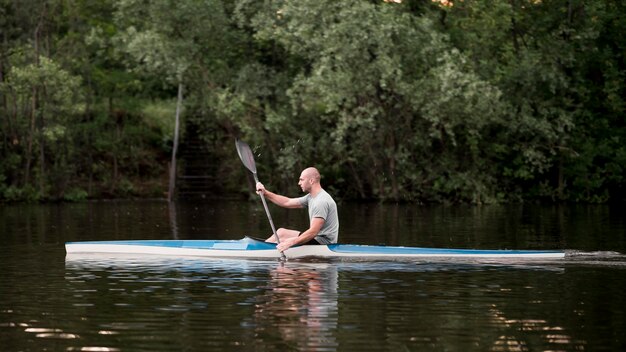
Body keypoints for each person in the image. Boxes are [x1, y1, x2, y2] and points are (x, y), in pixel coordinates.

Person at [255, 167, 339, 252]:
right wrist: (265, 193)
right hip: (316, 239)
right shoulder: (311, 197)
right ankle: (260, 250)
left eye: (301, 180)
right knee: (281, 232)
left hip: (324, 244)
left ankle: (258, 252)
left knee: (283, 237)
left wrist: (291, 242)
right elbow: (287, 202)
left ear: (311, 181)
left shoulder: (321, 201)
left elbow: (313, 231)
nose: (299, 183)